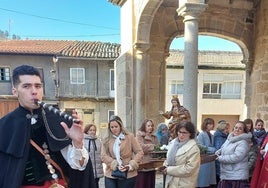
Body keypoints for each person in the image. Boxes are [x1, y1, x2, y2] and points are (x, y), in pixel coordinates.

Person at [0, 65, 95, 188]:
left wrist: (78, 144)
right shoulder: (4, 126)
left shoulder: (59, 120)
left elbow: (78, 167)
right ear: (14, 91)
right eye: (26, 86)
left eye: (38, 86)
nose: (34, 91)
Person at [101, 115, 144, 188]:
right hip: (111, 172)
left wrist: (131, 164)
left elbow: (139, 152)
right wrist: (114, 164)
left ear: (120, 126)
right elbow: (103, 155)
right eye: (112, 127)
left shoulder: (129, 137)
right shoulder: (106, 139)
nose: (114, 129)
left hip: (128, 172)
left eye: (116, 126)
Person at [161, 121, 200, 188]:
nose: (181, 135)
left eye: (184, 132)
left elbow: (189, 169)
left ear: (190, 134)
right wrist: (165, 165)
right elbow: (169, 158)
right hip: (171, 181)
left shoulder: (194, 149)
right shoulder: (173, 143)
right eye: (180, 132)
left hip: (184, 183)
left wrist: (169, 170)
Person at [215, 121, 251, 188]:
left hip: (236, 177)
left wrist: (221, 158)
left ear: (244, 131)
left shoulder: (243, 142)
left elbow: (236, 157)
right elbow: (223, 148)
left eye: (240, 129)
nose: (237, 130)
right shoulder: (229, 139)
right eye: (236, 127)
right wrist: (219, 151)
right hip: (227, 175)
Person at [134, 119, 159, 188]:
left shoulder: (154, 136)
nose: (150, 127)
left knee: (150, 185)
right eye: (148, 126)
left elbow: (158, 148)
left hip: (152, 164)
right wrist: (153, 147)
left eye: (151, 126)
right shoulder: (139, 135)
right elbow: (140, 148)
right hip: (143, 165)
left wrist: (154, 148)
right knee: (142, 185)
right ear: (144, 126)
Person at [197, 118, 217, 188]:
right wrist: (211, 149)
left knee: (209, 180)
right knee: (203, 179)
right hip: (204, 159)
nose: (211, 126)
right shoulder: (201, 134)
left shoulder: (212, 135)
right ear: (205, 125)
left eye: (212, 124)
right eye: (209, 124)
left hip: (211, 158)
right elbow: (199, 146)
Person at [84, 124, 104, 188]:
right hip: (87, 169)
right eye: (91, 130)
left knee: (96, 185)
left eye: (94, 130)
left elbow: (102, 153)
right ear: (87, 131)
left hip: (98, 169)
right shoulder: (83, 140)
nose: (92, 131)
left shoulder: (98, 141)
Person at [213, 120, 230, 184]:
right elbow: (219, 148)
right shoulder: (219, 136)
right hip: (220, 160)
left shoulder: (225, 136)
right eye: (226, 128)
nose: (228, 130)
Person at [244, 118, 258, 182]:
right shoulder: (241, 134)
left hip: (249, 156)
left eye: (250, 126)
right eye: (247, 126)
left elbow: (255, 148)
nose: (248, 128)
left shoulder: (252, 135)